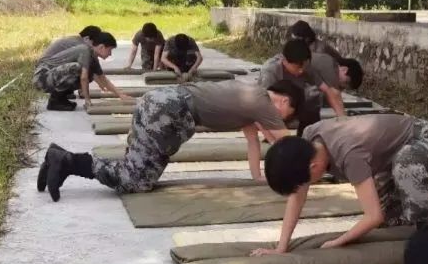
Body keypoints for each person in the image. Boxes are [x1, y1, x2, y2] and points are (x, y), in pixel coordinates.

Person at [37, 80, 304, 200]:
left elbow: (254, 142)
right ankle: (68, 161)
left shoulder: (251, 96)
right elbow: (288, 147)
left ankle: (61, 157)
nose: (279, 119)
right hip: (168, 111)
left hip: (165, 105)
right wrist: (306, 174)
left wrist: (257, 178)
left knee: (139, 172)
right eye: (286, 114)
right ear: (283, 100)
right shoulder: (263, 103)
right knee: (136, 181)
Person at [252, 114, 428, 256]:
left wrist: (340, 241)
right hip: (390, 157)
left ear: (314, 166)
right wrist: (281, 247)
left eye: (306, 181)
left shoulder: (349, 156)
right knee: (392, 219)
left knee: (405, 168)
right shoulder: (309, 137)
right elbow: (296, 197)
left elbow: (372, 216)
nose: (306, 186)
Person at [257, 39, 363, 135]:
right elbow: (262, 105)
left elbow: (329, 90)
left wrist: (344, 122)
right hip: (272, 113)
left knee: (314, 97)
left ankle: (306, 137)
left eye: (304, 66)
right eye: (298, 67)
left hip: (291, 110)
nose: (301, 70)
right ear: (285, 61)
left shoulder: (305, 66)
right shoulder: (270, 71)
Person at [33, 32, 132, 111]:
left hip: (50, 77)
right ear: (101, 47)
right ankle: (55, 100)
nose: (110, 54)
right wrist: (87, 100)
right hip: (41, 78)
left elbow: (103, 79)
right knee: (77, 69)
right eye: (109, 50)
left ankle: (60, 99)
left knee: (89, 74)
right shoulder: (85, 51)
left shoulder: (93, 57)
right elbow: (83, 78)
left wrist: (121, 95)